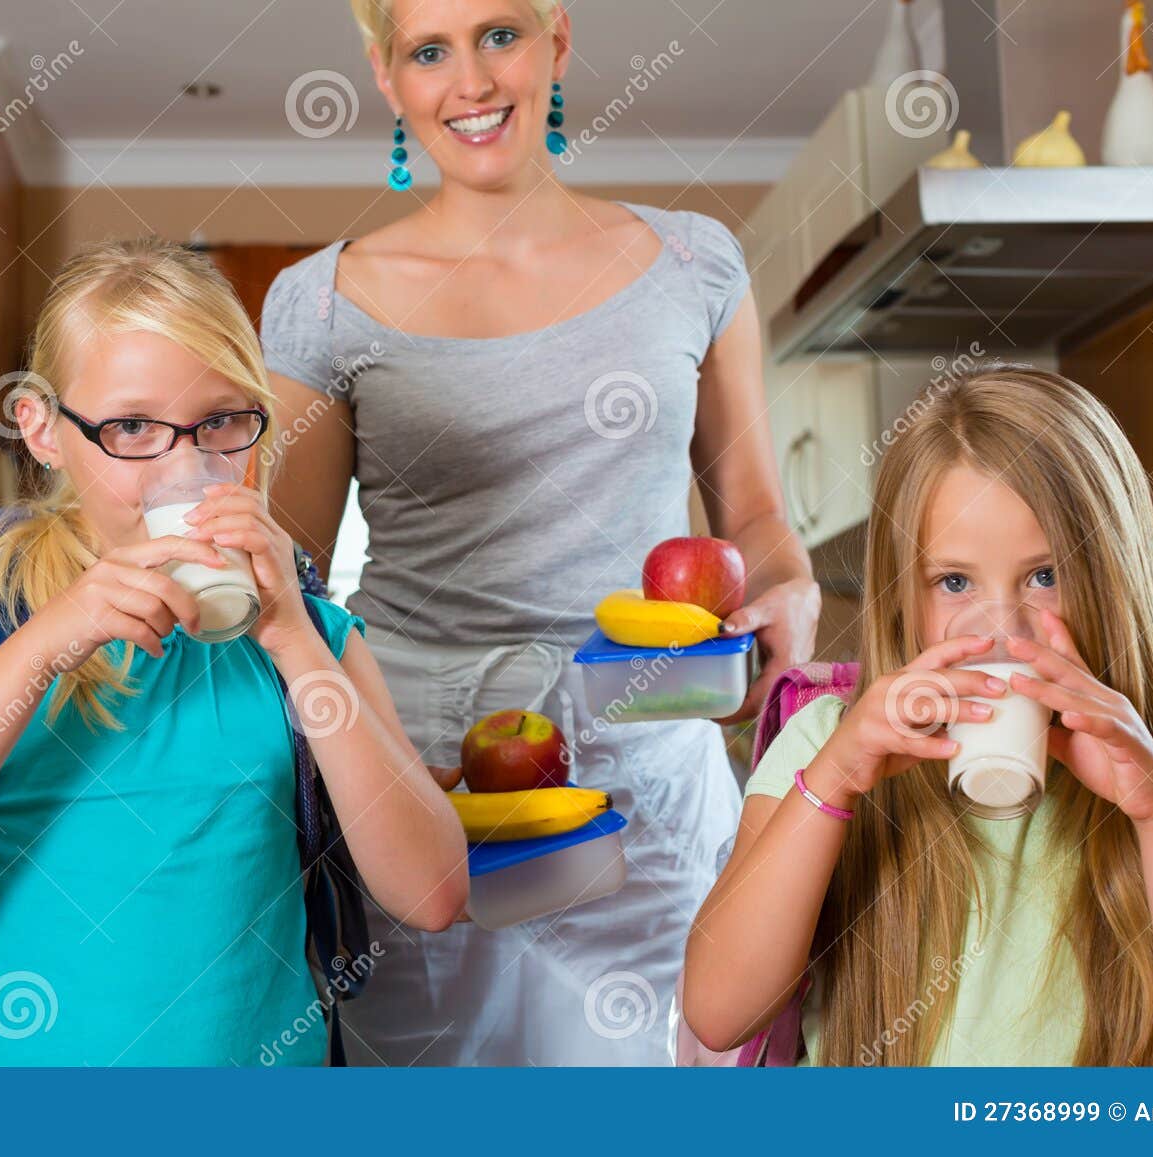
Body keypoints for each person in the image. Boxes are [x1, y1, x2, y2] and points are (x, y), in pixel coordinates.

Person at [261, 0, 818, 1065]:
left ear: (556, 41)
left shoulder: (692, 266)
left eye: (499, 34)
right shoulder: (321, 304)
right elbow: (291, 584)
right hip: (421, 786)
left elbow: (756, 522)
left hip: (643, 764)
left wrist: (789, 593)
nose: (469, 81)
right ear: (387, 77)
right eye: (429, 51)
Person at [0, 238, 466, 1066]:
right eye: (132, 426)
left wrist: (293, 637)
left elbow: (433, 894)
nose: (185, 466)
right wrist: (45, 643)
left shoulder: (312, 634)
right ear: (42, 429)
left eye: (222, 421)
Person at [683, 367, 1153, 1066]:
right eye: (955, 581)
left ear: (1117, 581)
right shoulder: (826, 745)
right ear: (907, 599)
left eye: (1045, 575)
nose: (1002, 627)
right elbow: (719, 1012)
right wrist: (836, 778)